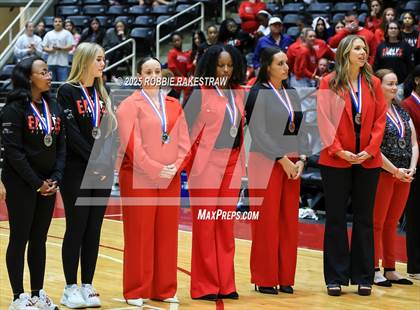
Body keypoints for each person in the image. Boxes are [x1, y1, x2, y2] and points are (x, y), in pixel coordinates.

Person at [116, 56, 190, 307]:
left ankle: (164, 287)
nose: (153, 76)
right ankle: (136, 289)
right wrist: (157, 169)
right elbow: (131, 145)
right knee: (140, 234)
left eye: (157, 71)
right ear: (139, 76)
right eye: (148, 71)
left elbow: (184, 144)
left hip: (169, 179)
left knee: (167, 234)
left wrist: (174, 168)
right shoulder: (128, 105)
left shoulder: (173, 105)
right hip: (139, 178)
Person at [317, 35, 387, 297]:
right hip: (336, 160)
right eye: (357, 48)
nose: (362, 52)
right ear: (345, 52)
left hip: (368, 161)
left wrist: (369, 151)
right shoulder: (328, 82)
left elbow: (381, 121)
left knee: (364, 219)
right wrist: (339, 151)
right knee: (335, 219)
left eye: (364, 48)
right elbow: (323, 121)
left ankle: (363, 275)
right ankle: (334, 277)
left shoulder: (374, 82)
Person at [1, 56, 65, 310]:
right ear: (29, 78)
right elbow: (14, 153)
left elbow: (61, 145)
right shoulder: (13, 109)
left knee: (39, 239)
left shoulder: (54, 106)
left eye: (49, 71)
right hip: (21, 184)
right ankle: (19, 297)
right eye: (44, 72)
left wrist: (56, 177)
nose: (49, 76)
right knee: (20, 238)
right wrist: (37, 182)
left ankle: (38, 294)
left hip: (48, 184)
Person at [57, 42, 118, 309]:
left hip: (101, 171)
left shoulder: (103, 94)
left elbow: (112, 134)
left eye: (104, 60)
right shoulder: (66, 92)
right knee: (77, 226)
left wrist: (104, 164)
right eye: (99, 59)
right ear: (85, 60)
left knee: (94, 229)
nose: (103, 64)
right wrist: (94, 162)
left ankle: (88, 285)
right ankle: (70, 287)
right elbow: (70, 132)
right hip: (76, 170)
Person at [184, 45, 246, 301]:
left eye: (230, 65)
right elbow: (184, 133)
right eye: (221, 65)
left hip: (232, 162)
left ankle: (226, 283)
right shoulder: (199, 93)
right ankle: (205, 285)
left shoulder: (239, 93)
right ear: (210, 66)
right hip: (207, 165)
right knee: (206, 225)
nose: (225, 70)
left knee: (225, 224)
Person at [245, 47, 308, 296]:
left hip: (292, 162)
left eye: (287, 63)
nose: (286, 67)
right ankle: (265, 277)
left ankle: (285, 276)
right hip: (265, 160)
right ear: (267, 66)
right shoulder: (257, 92)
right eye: (280, 63)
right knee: (266, 221)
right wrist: (282, 159)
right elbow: (257, 132)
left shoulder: (291, 93)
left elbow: (301, 129)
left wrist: (302, 158)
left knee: (288, 222)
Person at [372, 69, 418, 287]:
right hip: (383, 172)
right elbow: (373, 147)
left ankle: (390, 268)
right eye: (389, 83)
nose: (394, 87)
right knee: (377, 223)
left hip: (404, 174)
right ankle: (373, 269)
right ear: (377, 85)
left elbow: (414, 143)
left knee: (392, 223)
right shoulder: (373, 110)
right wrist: (394, 170)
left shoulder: (401, 110)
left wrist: (411, 168)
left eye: (396, 84)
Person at [401, 65, 420, 281]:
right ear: (416, 80)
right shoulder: (407, 106)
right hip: (415, 166)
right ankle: (415, 265)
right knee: (415, 216)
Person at [373, 21, 413, 88]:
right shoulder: (381, 46)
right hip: (384, 83)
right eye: (391, 28)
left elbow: (410, 66)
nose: (393, 30)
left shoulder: (405, 46)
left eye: (395, 28)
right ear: (387, 31)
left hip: (401, 84)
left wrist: (407, 82)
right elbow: (376, 65)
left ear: (399, 30)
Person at [42, 16, 73, 82]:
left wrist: (60, 48)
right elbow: (44, 47)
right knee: (50, 84)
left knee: (62, 84)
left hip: (63, 64)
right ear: (53, 23)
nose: (57, 23)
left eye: (59, 21)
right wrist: (50, 50)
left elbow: (70, 47)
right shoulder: (48, 34)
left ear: (62, 23)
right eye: (55, 21)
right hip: (50, 63)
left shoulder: (67, 33)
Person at [167, 32, 193, 100]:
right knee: (186, 82)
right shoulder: (172, 52)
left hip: (182, 78)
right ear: (172, 43)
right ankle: (185, 104)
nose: (177, 42)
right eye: (175, 41)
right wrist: (182, 77)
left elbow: (188, 68)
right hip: (174, 78)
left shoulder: (185, 54)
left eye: (178, 40)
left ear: (182, 40)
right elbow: (172, 67)